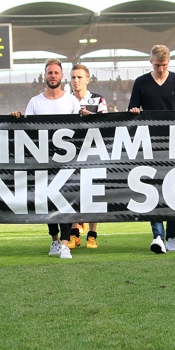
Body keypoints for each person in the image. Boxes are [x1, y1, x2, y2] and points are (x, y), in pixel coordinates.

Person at [128, 44, 175, 254]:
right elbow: (132, 109)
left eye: (165, 65)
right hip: (150, 144)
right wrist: (133, 110)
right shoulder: (141, 82)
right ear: (151, 61)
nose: (161, 69)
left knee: (173, 190)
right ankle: (158, 235)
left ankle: (172, 236)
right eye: (158, 65)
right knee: (153, 189)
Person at [11, 58, 82, 259]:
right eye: (50, 73)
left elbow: (81, 131)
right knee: (48, 202)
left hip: (67, 162)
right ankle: (55, 240)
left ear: (61, 76)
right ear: (45, 76)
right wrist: (16, 118)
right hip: (43, 163)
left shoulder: (71, 101)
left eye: (56, 73)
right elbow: (26, 131)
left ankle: (66, 244)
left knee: (65, 201)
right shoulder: (35, 102)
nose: (53, 76)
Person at [68, 63, 107, 249]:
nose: (76, 81)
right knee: (73, 192)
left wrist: (90, 118)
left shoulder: (98, 100)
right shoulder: (65, 100)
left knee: (93, 194)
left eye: (80, 77)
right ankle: (74, 234)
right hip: (72, 155)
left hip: (93, 154)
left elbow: (108, 125)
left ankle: (92, 235)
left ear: (87, 79)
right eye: (73, 77)